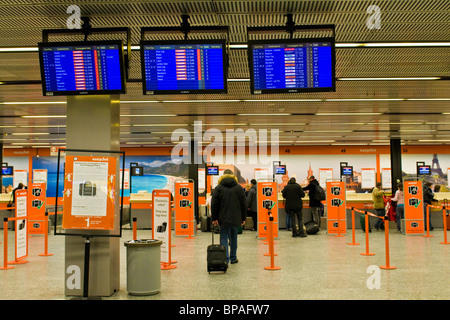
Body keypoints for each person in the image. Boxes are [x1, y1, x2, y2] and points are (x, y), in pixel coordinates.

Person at [211, 169, 247, 264]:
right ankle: (233, 258)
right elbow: (244, 204)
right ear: (233, 176)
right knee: (234, 237)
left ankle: (225, 259)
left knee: (223, 237)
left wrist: (214, 218)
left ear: (223, 176)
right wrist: (243, 218)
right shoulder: (239, 188)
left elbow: (214, 204)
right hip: (236, 218)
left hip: (223, 218)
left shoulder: (218, 188)